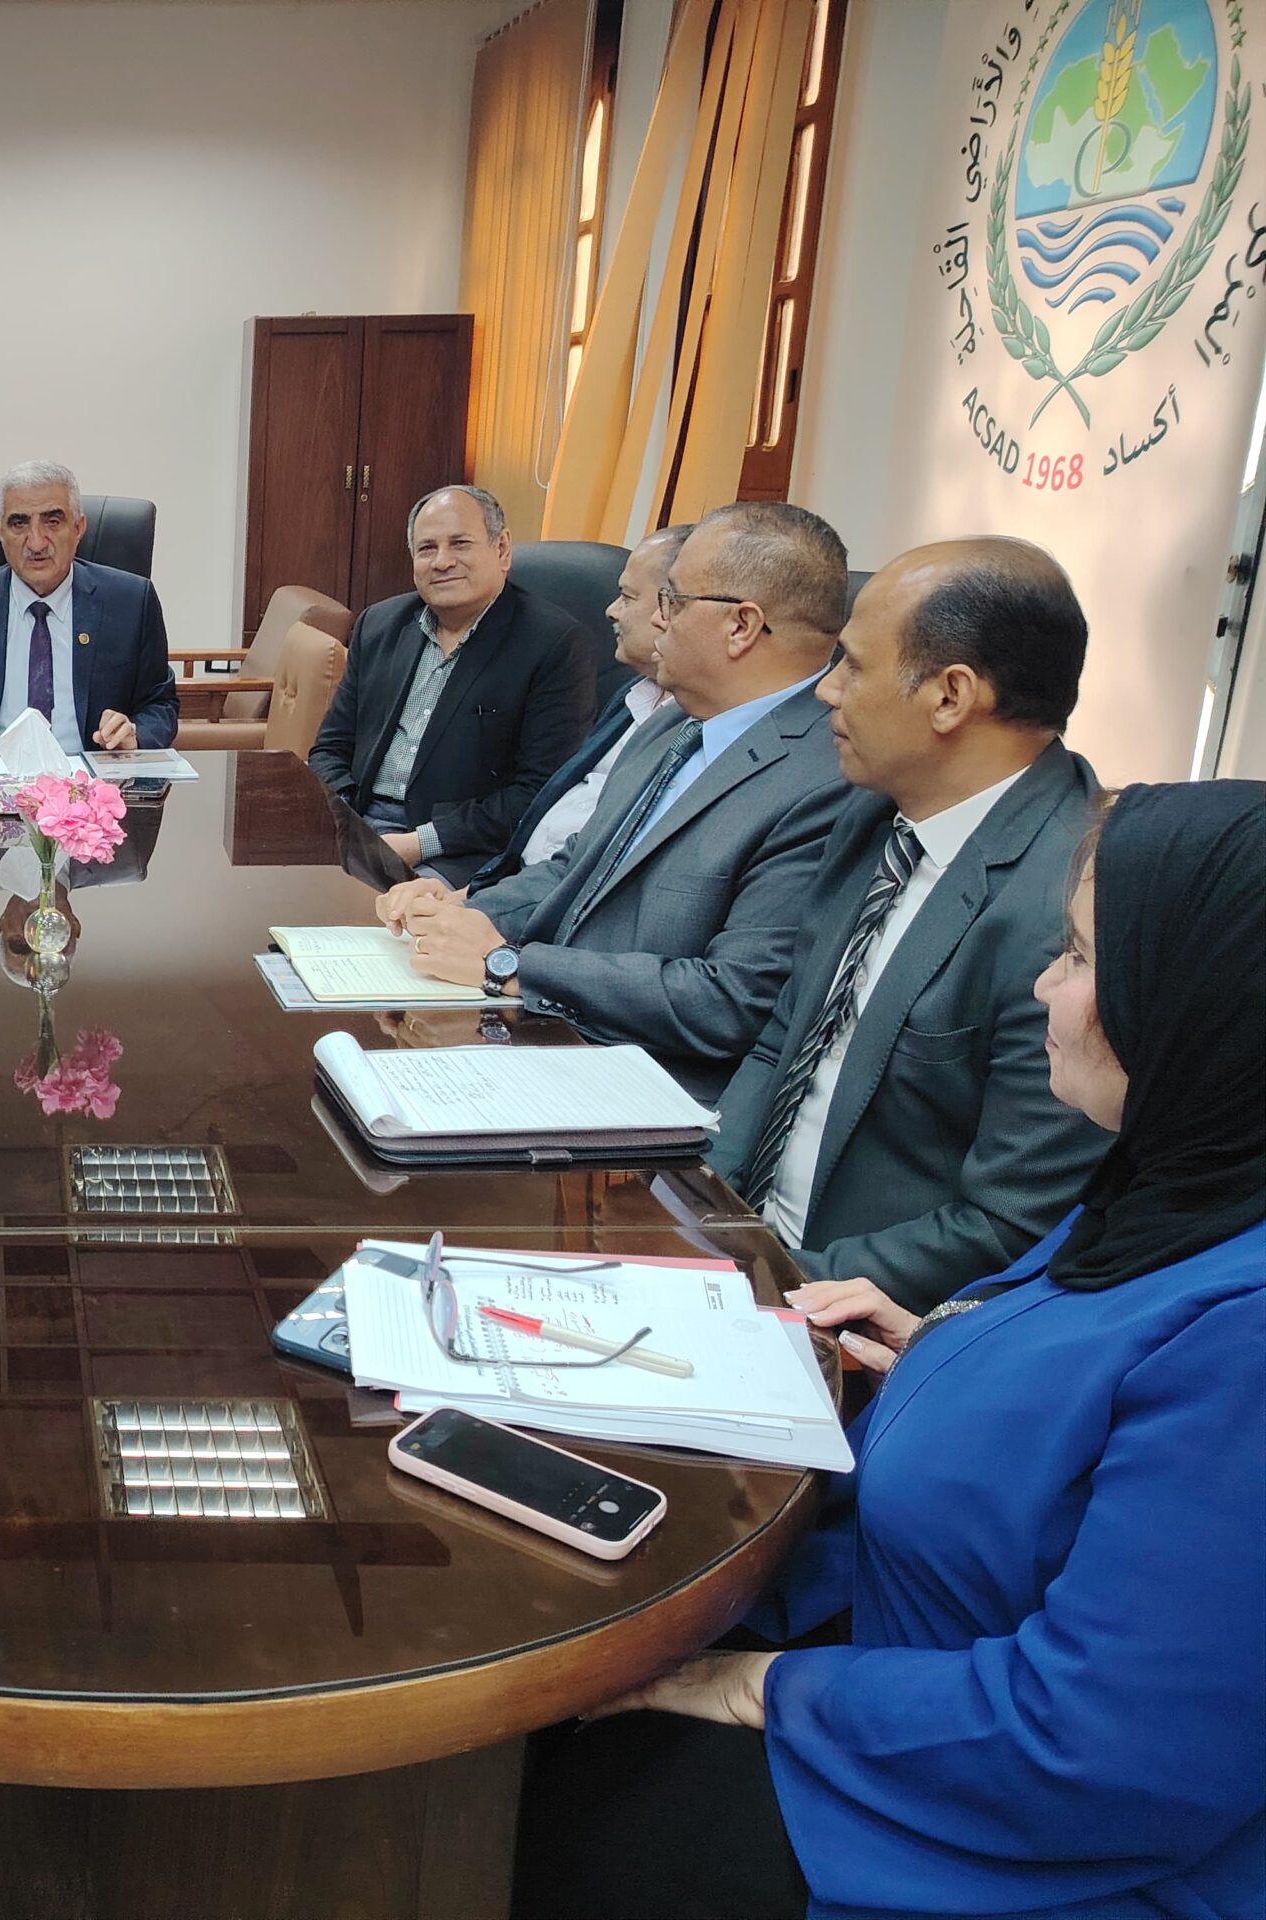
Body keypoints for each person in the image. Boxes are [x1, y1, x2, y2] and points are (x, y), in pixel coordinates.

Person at [514, 780, 1266, 1920]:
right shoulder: (1173, 1185)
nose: (1043, 986)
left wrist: (762, 1689)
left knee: (566, 1818)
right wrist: (951, 1362)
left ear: (1204, 1004)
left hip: (1004, 1834)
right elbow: (1095, 1419)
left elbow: (1098, 1752)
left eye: (1077, 957)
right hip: (907, 1683)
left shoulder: (1243, 1333)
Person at [709, 538, 1110, 1310]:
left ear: (951, 696)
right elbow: (782, 1037)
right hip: (747, 1246)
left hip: (852, 1307)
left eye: (854, 665)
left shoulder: (1071, 910)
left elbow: (1008, 1225)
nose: (827, 691)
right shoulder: (876, 814)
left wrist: (767, 1283)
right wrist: (702, 1214)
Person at [377, 502, 852, 1098]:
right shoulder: (670, 720)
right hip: (544, 1030)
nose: (656, 619)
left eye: (672, 601)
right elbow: (575, 866)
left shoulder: (827, 779)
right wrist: (461, 913)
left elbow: (732, 1000)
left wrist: (512, 966)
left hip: (645, 1081)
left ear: (741, 626)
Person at [308, 485, 598, 884]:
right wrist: (345, 818)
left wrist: (417, 843)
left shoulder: (554, 644)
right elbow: (331, 747)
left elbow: (540, 791)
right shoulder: (379, 625)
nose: (442, 561)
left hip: (458, 851)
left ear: (501, 549)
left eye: (460, 544)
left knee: (378, 918)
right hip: (357, 829)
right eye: (427, 548)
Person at [0, 460, 177, 764]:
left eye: (52, 521)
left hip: (91, 780)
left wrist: (135, 733)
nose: (36, 542)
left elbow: (159, 705)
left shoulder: (131, 602)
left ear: (79, 527)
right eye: (19, 523)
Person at [462, 523, 685, 890]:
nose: (611, 611)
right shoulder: (632, 696)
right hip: (514, 884)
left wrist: (480, 908)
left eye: (627, 597)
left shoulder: (699, 730)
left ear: (674, 608)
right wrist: (467, 896)